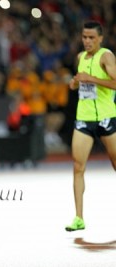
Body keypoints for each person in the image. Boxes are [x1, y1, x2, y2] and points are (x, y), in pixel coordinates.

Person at [65, 21, 116, 231]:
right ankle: (79, 218)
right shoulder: (79, 57)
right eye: (84, 37)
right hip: (84, 118)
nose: (87, 41)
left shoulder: (106, 56)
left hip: (106, 117)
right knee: (78, 167)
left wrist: (91, 79)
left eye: (91, 38)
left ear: (100, 39)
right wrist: (75, 82)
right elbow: (80, 82)